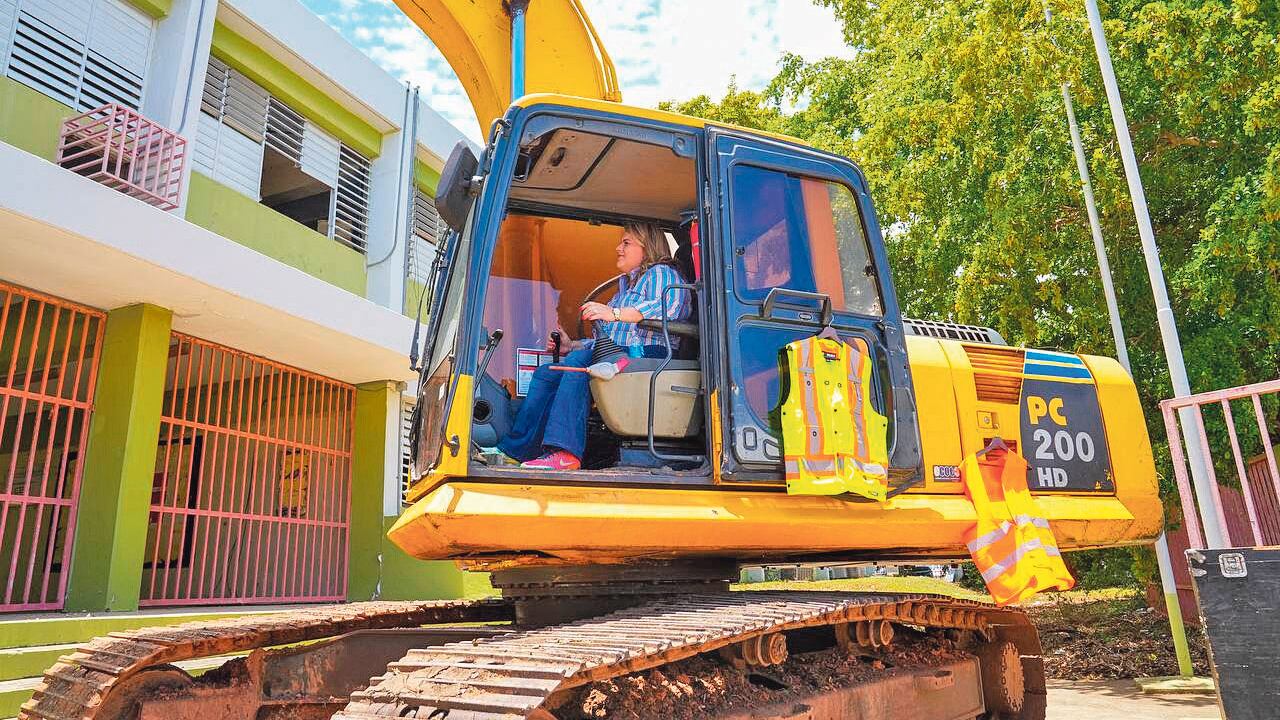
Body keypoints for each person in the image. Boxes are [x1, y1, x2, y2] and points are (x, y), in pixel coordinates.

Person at [499, 221, 691, 470]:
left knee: (580, 364)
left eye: (626, 243)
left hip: (649, 359)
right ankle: (517, 450)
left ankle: (566, 452)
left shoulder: (662, 273)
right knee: (548, 373)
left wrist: (615, 313)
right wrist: (573, 344)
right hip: (623, 355)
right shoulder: (625, 287)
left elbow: (669, 309)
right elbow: (607, 340)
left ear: (648, 247)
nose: (617, 248)